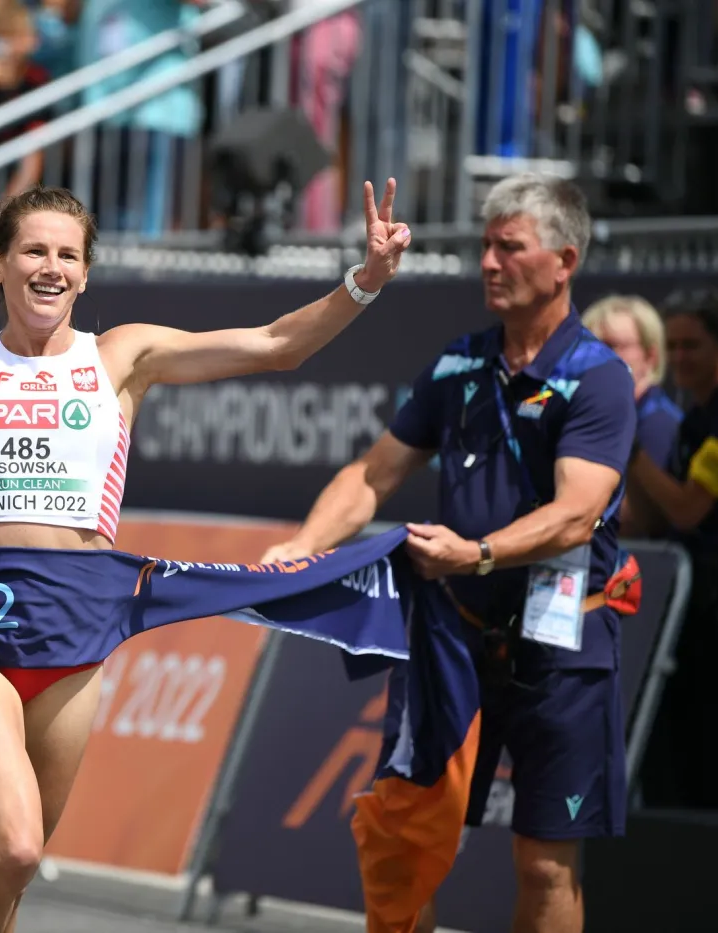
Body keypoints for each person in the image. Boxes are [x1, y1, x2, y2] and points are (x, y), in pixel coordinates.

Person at [0, 133, 411, 933]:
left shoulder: (121, 357)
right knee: (12, 846)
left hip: (78, 621)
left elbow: (278, 345)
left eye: (68, 255)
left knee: (11, 869)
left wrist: (367, 279)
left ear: (85, 271)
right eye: (33, 251)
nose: (51, 268)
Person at [262, 173, 637, 933]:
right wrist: (303, 545)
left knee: (542, 862)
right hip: (453, 644)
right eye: (485, 247)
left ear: (564, 260)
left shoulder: (598, 376)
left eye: (511, 248)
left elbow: (576, 514)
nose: (490, 263)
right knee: (410, 844)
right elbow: (372, 474)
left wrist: (480, 552)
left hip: (562, 647)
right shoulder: (458, 364)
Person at [627, 288, 718, 812]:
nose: (682, 358)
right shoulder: (695, 420)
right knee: (673, 764)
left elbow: (689, 509)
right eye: (674, 346)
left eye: (693, 345)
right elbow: (654, 517)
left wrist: (633, 450)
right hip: (690, 613)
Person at [581, 294, 682, 537]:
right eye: (590, 346)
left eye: (613, 345)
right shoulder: (599, 417)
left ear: (650, 356)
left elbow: (636, 518)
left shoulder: (657, 422)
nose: (598, 356)